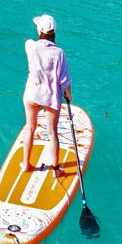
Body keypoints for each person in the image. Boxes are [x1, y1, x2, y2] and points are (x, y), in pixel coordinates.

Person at [23, 15, 73, 174]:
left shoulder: (30, 46)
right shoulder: (60, 53)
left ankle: (25, 164)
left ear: (40, 30)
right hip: (50, 97)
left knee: (30, 128)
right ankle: (56, 169)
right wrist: (68, 94)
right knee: (52, 134)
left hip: (32, 94)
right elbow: (65, 80)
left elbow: (35, 44)